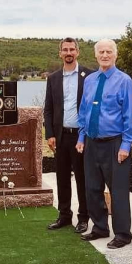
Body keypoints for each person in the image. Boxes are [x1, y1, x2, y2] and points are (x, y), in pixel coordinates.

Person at [76, 39, 132, 249]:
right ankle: (100, 227)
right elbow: (84, 111)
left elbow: (130, 114)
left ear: (115, 55)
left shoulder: (124, 80)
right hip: (92, 142)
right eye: (101, 52)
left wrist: (126, 145)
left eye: (108, 52)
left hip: (115, 143)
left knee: (118, 190)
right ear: (95, 55)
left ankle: (123, 233)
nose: (104, 55)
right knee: (92, 188)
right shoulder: (90, 80)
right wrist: (81, 137)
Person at [44, 37, 93, 233]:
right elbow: (48, 109)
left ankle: (83, 217)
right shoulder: (53, 78)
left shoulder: (89, 76)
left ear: (78, 52)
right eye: (65, 50)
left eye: (72, 49)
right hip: (60, 136)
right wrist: (50, 134)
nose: (69, 53)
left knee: (82, 178)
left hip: (81, 137)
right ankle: (64, 215)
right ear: (60, 53)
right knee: (62, 177)